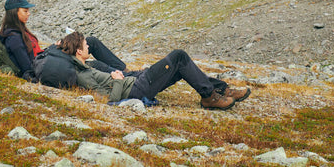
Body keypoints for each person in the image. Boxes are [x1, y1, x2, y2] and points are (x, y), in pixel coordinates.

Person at [60, 30, 250, 110]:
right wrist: (118, 80)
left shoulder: (87, 66)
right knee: (178, 55)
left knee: (179, 67)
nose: (89, 47)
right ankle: (210, 97)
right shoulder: (83, 74)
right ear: (78, 51)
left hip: (135, 80)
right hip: (136, 89)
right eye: (86, 45)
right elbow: (111, 100)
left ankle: (220, 89)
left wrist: (127, 75)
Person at [0, 0, 127, 81]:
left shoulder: (19, 31)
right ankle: (124, 75)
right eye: (25, 11)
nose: (29, 13)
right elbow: (29, 67)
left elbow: (36, 54)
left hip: (46, 57)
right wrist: (54, 49)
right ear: (15, 12)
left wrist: (55, 46)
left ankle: (123, 70)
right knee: (95, 64)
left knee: (90, 42)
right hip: (46, 64)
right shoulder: (13, 38)